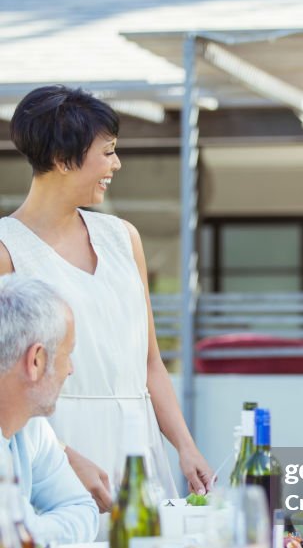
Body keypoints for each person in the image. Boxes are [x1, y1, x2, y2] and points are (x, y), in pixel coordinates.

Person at [0, 86, 212, 514]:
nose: (116, 164)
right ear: (62, 160)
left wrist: (185, 447)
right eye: (108, 151)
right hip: (61, 448)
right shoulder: (7, 250)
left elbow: (150, 363)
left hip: (138, 444)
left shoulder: (122, 238)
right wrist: (61, 456)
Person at [0, 275, 98, 544]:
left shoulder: (31, 425)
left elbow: (82, 509)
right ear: (36, 360)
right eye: (68, 354)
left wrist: (27, 532)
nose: (70, 369)